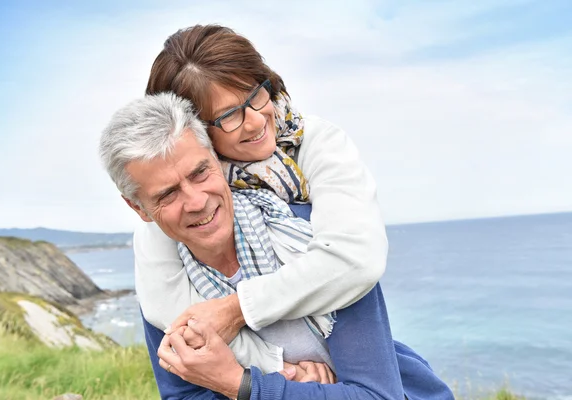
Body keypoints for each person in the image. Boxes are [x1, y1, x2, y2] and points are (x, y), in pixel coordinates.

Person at [99, 93, 454, 399]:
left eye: (200, 173)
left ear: (218, 162)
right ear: (138, 208)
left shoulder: (311, 239)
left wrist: (240, 385)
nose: (196, 201)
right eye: (168, 193)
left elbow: (377, 395)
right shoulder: (166, 289)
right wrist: (293, 385)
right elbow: (185, 396)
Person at [136, 23, 389, 374]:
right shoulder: (186, 196)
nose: (255, 121)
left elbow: (356, 259)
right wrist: (276, 368)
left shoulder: (312, 141)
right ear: (192, 131)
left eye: (256, 94)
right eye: (228, 116)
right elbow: (168, 309)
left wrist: (237, 309)